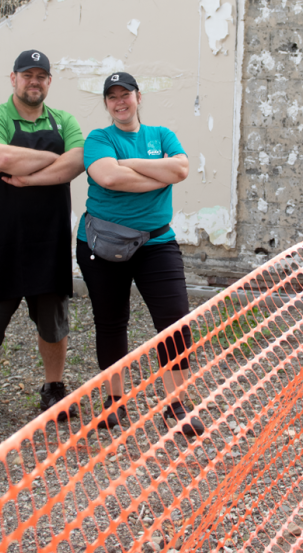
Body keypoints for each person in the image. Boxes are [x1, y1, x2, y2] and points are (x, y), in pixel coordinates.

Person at [0, 50, 85, 430]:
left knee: (54, 320)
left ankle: (53, 388)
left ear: (49, 81)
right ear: (12, 78)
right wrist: (52, 158)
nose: (35, 82)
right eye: (27, 75)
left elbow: (78, 161)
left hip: (49, 240)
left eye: (41, 76)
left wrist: (27, 175)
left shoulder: (63, 119)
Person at [76, 71, 203, 438]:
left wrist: (128, 164)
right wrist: (158, 174)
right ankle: (114, 404)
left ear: (138, 97)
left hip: (156, 245)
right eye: (112, 97)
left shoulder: (161, 135)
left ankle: (176, 405)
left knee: (175, 323)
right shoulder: (99, 138)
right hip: (104, 244)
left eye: (125, 94)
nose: (120, 101)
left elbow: (180, 168)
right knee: (111, 322)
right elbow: (109, 178)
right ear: (106, 103)